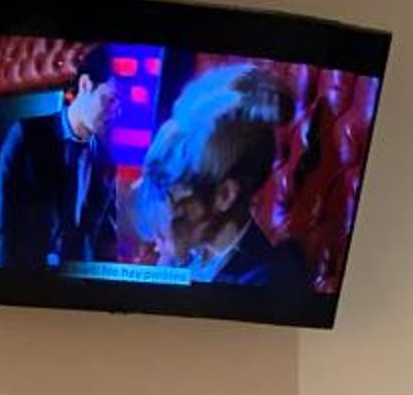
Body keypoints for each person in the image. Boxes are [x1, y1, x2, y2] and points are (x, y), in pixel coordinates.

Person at [133, 63, 311, 293]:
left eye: (168, 195)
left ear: (224, 196)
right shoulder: (190, 251)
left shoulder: (262, 283)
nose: (158, 217)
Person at [0, 47, 119, 270]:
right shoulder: (27, 135)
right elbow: (2, 224)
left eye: (120, 104)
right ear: (85, 85)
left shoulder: (105, 162)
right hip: (25, 275)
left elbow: (105, 239)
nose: (115, 112)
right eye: (110, 99)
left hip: (78, 281)